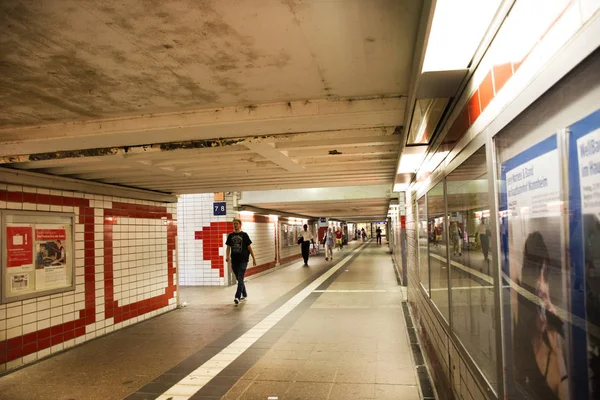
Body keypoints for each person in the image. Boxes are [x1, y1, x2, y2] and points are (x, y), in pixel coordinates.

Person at [513, 232, 568, 400]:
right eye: (538, 274)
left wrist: (557, 351)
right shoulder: (522, 326)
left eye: (546, 276)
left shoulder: (555, 340)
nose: (542, 287)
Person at [225, 218, 257, 305]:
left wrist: (254, 258)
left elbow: (249, 247)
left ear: (240, 224)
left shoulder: (244, 235)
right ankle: (245, 293)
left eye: (236, 223)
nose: (235, 225)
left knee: (240, 277)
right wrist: (227, 256)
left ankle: (237, 297)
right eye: (234, 224)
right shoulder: (230, 236)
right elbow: (228, 247)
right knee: (239, 279)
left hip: (243, 260)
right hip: (234, 260)